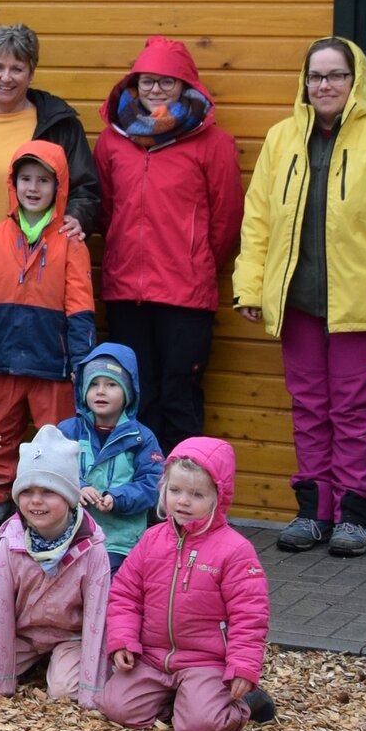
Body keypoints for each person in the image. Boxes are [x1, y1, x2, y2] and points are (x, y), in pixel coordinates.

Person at [234, 37, 366, 558]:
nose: (324, 85)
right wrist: (251, 285)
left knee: (352, 410)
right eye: (316, 76)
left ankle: (353, 516)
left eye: (335, 75)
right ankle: (313, 512)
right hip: (298, 304)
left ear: (354, 80)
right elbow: (258, 221)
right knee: (309, 408)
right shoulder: (282, 139)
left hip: (362, 307)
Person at [92, 37, 243, 450]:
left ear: (186, 85)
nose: (155, 90)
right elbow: (105, 211)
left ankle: (183, 501)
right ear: (133, 85)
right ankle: (139, 499)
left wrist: (195, 260)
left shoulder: (214, 144)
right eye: (146, 81)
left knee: (179, 397)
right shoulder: (112, 141)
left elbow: (227, 220)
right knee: (134, 396)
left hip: (185, 295)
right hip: (126, 291)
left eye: (167, 81)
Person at [101, 437, 276, 731]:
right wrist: (123, 641)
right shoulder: (151, 539)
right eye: (175, 491)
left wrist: (243, 668)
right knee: (115, 707)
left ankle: (244, 702)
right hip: (154, 658)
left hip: (207, 662)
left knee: (200, 726)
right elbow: (124, 594)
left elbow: (250, 616)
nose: (183, 501)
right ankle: (182, 699)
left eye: (196, 494)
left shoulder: (235, 550)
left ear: (218, 497)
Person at [0, 142, 97, 533]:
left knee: (55, 439)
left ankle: (55, 506)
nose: (33, 188)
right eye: (25, 179)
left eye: (43, 180)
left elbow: (80, 307)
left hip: (52, 363)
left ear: (60, 187)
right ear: (13, 183)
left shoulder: (71, 241)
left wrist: (81, 361)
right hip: (4, 359)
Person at [0, 424, 111, 709]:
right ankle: (7, 658)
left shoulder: (91, 548)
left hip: (72, 636)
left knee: (65, 691)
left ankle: (59, 663)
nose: (36, 501)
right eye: (27, 491)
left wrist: (94, 687)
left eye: (48, 492)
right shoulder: (11, 543)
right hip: (23, 632)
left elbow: (98, 618)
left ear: (69, 498)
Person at [0, 23, 99, 238]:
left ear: (31, 74)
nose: (6, 78)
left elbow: (85, 190)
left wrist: (77, 217)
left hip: (37, 259)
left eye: (17, 69)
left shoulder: (59, 126)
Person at [54, 343, 164, 575]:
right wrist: (78, 488)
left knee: (107, 585)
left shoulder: (142, 439)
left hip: (119, 539)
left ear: (129, 392)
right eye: (93, 384)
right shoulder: (68, 431)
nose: (100, 391)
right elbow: (50, 472)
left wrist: (117, 497)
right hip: (68, 534)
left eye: (111, 384)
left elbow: (153, 484)